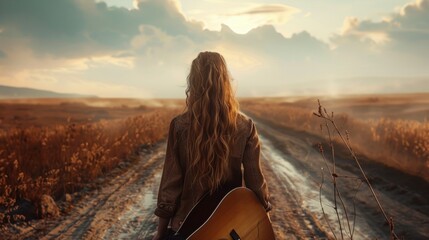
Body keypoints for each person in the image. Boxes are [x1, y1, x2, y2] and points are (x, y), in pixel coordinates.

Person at [152, 51, 271, 240]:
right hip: (229, 229)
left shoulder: (180, 125)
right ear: (226, 82)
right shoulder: (245, 126)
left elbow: (170, 185)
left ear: (193, 82)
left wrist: (159, 234)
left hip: (185, 228)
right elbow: (255, 185)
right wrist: (263, 226)